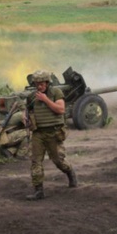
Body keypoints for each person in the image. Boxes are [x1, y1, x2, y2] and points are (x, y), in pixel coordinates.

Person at [24, 69, 77, 200]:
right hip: (38, 133)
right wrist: (25, 118)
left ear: (47, 83)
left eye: (42, 83)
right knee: (36, 161)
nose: (39, 86)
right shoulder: (32, 97)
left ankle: (70, 173)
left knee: (59, 161)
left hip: (53, 132)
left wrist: (46, 100)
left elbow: (61, 109)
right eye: (37, 84)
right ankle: (38, 190)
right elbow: (27, 110)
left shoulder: (56, 93)